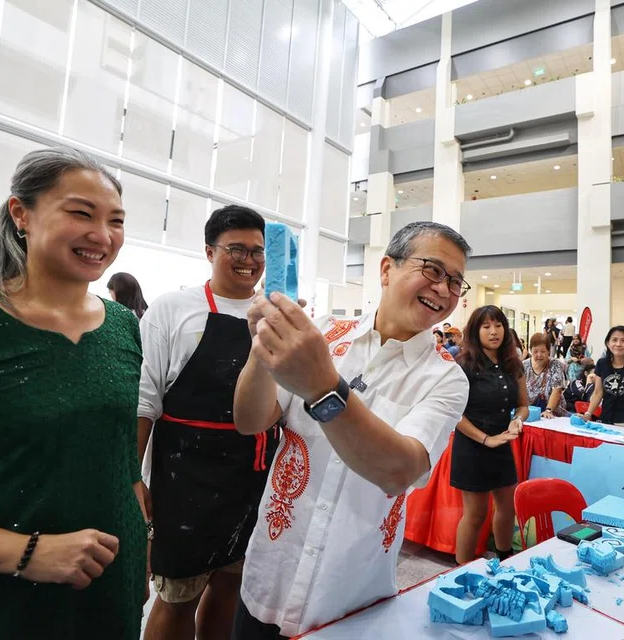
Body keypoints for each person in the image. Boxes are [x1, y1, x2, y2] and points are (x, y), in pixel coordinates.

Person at [0, 148, 147, 638]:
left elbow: (119, 462)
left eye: (115, 220)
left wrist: (139, 551)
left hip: (106, 597)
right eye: (81, 213)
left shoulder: (120, 327)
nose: (103, 235)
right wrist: (27, 553)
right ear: (20, 214)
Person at [230, 221, 472, 638]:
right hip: (271, 573)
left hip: (351, 595)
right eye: (432, 270)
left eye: (455, 281)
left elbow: (399, 472)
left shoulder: (446, 378)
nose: (444, 289)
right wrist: (260, 349)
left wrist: (324, 387)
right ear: (386, 270)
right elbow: (250, 420)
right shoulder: (322, 333)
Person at [139, 206, 281, 640]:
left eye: (257, 251)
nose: (249, 259)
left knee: (231, 585)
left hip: (252, 474)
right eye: (236, 248)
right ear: (209, 251)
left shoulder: (276, 314)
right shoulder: (173, 309)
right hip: (185, 477)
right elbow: (144, 401)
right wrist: (131, 478)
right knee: (177, 595)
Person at [450, 306, 528, 565]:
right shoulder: (464, 364)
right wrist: (486, 439)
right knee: (475, 514)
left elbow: (523, 405)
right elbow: (455, 413)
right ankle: (461, 570)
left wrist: (517, 421)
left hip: (502, 444)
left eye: (498, 325)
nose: (493, 332)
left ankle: (505, 558)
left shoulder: (512, 363)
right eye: (486, 326)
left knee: (507, 508)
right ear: (476, 330)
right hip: (472, 446)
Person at [523, 333, 568, 418]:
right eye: (535, 351)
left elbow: (557, 390)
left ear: (549, 351)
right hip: (531, 413)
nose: (539, 355)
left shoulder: (556, 364)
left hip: (554, 414)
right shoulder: (524, 366)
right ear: (530, 350)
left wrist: (548, 410)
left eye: (543, 351)